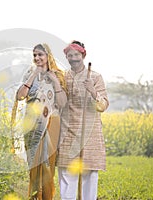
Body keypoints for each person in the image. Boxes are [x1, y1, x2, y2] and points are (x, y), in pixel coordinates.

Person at [56, 40, 109, 200]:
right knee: (66, 173)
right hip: (68, 131)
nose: (73, 58)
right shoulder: (63, 78)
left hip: (90, 133)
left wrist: (93, 91)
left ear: (83, 55)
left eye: (76, 54)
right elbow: (58, 103)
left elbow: (103, 105)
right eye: (69, 55)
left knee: (89, 174)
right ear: (66, 57)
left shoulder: (95, 77)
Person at [13, 43, 67, 200]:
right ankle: (35, 197)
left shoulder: (58, 75)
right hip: (31, 122)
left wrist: (55, 82)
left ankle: (47, 197)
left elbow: (63, 103)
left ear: (48, 56)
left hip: (51, 123)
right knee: (34, 162)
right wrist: (33, 75)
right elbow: (20, 96)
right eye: (34, 55)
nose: (37, 58)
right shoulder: (29, 73)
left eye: (40, 55)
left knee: (47, 163)